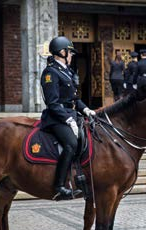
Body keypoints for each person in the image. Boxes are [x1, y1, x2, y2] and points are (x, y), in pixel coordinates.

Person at [40, 36, 96, 200]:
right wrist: (68, 120)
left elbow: (74, 99)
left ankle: (80, 177)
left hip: (71, 114)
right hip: (56, 118)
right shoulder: (50, 72)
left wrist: (86, 109)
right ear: (62, 52)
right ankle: (59, 186)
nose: (71, 56)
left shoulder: (66, 71)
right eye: (70, 52)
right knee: (71, 144)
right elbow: (53, 103)